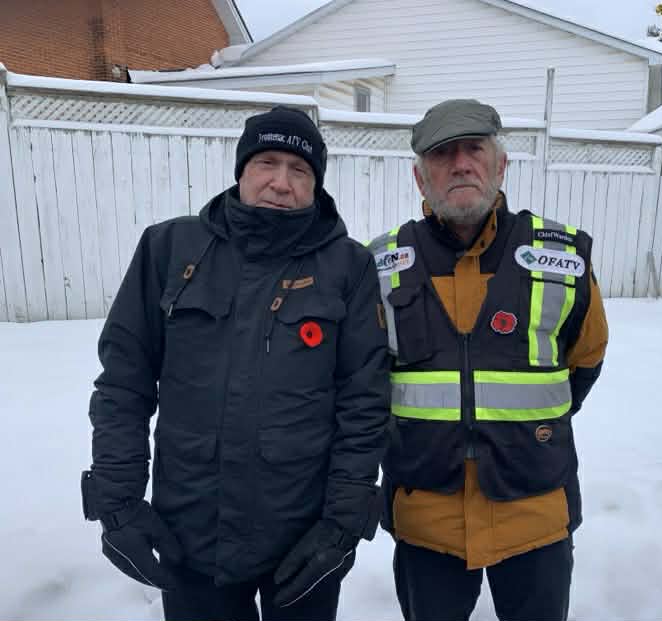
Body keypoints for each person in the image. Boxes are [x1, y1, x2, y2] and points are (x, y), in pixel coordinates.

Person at [81, 106, 390, 621]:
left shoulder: (348, 267)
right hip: (191, 535)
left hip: (303, 539)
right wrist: (117, 502)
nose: (281, 183)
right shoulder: (169, 249)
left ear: (316, 185)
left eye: (300, 170)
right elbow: (123, 384)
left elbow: (365, 402)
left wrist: (342, 526)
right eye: (267, 163)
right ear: (241, 171)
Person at [368, 99, 608, 621]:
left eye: (474, 150)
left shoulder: (563, 258)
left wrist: (529, 428)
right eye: (442, 154)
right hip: (426, 520)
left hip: (534, 514)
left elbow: (585, 361)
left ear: (501, 165)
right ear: (419, 177)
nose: (461, 165)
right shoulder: (380, 265)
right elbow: (364, 383)